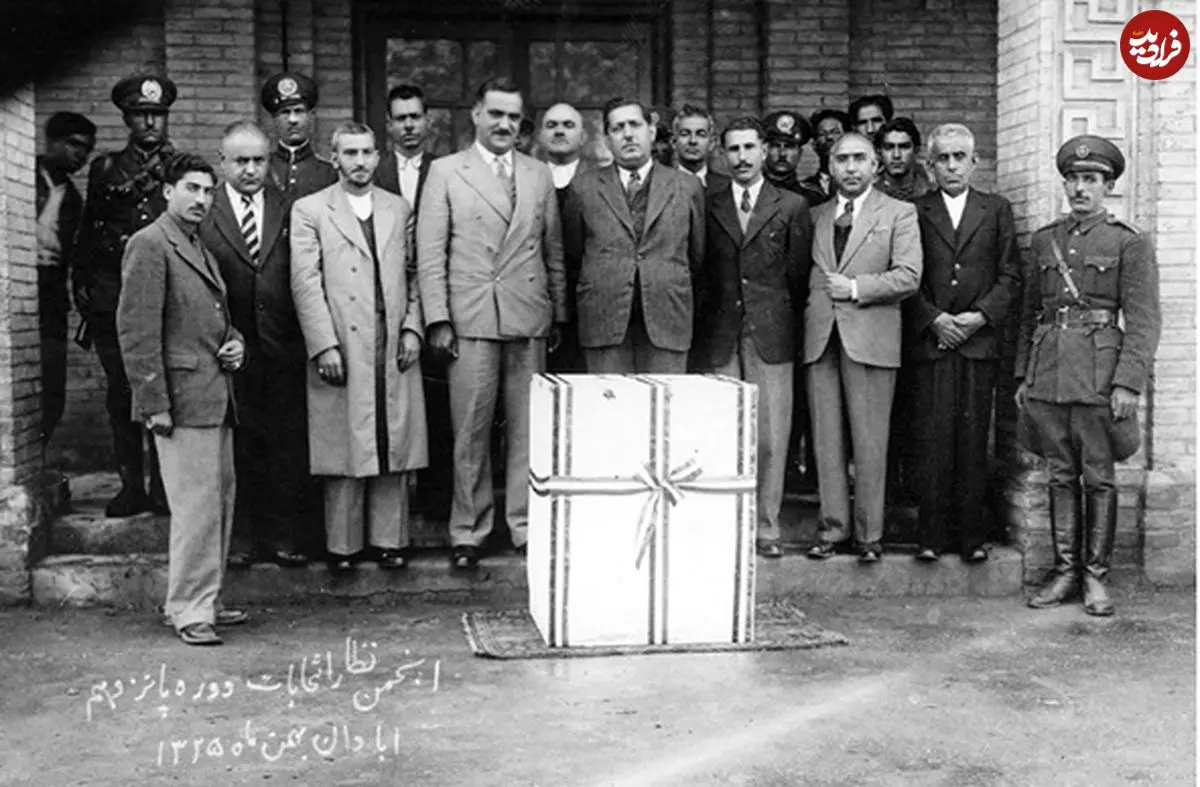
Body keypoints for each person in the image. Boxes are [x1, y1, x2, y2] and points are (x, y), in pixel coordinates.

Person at [416, 78, 566, 570]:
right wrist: (438, 318)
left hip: (527, 313)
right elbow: (430, 254)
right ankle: (469, 529)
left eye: (513, 117)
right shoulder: (446, 171)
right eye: (496, 114)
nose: (504, 125)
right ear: (476, 115)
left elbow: (553, 251)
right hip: (471, 317)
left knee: (527, 430)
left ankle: (524, 526)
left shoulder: (538, 173)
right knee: (471, 430)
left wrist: (558, 312)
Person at [1017, 135, 1160, 616]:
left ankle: (1097, 577)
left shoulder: (1128, 242)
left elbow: (1143, 320)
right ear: (1064, 184)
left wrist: (1128, 382)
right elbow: (1029, 314)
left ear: (1108, 186)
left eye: (1091, 179)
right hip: (1049, 373)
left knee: (1099, 478)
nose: (1080, 188)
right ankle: (1064, 574)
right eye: (1074, 179)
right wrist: (1024, 376)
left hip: (1100, 376)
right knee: (1060, 475)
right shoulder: (1045, 240)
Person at [117, 152, 247, 646]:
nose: (202, 199)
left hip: (214, 397)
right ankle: (189, 608)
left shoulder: (198, 247)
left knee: (218, 506)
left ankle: (206, 600)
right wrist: (154, 404)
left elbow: (212, 322)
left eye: (208, 191)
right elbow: (136, 331)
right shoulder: (150, 243)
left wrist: (235, 342)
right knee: (195, 510)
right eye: (191, 188)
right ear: (167, 191)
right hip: (181, 400)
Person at [291, 122, 428, 573]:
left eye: (367, 152)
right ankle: (343, 545)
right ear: (334, 158)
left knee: (392, 438)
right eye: (350, 153)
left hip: (391, 339)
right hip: (344, 340)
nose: (360, 162)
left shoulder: (398, 208)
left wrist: (413, 328)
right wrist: (323, 345)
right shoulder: (311, 210)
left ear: (378, 156)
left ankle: (390, 541)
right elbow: (305, 283)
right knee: (345, 441)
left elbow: (415, 275)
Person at [691, 117, 812, 559]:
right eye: (733, 149)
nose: (741, 158)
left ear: (764, 150)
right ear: (722, 155)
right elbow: (700, 268)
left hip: (771, 332)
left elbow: (798, 276)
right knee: (722, 434)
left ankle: (766, 526)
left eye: (749, 148)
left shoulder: (792, 205)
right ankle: (723, 526)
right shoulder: (708, 203)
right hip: (720, 332)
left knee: (770, 437)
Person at [803, 132, 922, 564]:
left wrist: (855, 288)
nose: (851, 167)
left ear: (875, 166)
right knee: (826, 440)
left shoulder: (899, 213)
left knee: (870, 441)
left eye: (859, 159)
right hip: (821, 338)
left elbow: (909, 275)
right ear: (829, 167)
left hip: (871, 338)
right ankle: (832, 529)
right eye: (842, 159)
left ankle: (869, 535)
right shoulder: (814, 215)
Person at [906, 123, 1022, 562]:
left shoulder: (996, 209)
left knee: (974, 439)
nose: (952, 166)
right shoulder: (914, 210)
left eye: (960, 157)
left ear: (975, 162)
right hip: (932, 341)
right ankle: (931, 537)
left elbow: (1010, 274)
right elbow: (905, 273)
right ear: (929, 165)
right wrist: (933, 319)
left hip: (978, 342)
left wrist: (979, 317)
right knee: (932, 439)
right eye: (943, 158)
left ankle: (972, 537)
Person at [199, 121, 312, 569]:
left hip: (283, 347)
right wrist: (222, 336)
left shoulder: (291, 208)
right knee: (238, 445)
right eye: (240, 161)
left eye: (259, 161)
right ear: (222, 162)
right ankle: (241, 537)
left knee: (285, 443)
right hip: (227, 349)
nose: (250, 170)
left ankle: (284, 536)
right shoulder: (206, 212)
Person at [74, 73, 177, 518]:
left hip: (165, 298)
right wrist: (82, 285)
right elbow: (88, 233)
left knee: (165, 392)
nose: (150, 123)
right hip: (113, 299)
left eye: (157, 114)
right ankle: (131, 486)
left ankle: (165, 489)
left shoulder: (180, 167)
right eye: (141, 114)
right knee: (121, 394)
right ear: (127, 119)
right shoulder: (105, 169)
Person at [562, 97, 705, 374]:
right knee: (609, 400)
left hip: (668, 319)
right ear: (607, 139)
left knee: (664, 400)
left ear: (651, 131)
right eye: (617, 128)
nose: (627, 134)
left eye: (634, 125)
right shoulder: (583, 188)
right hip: (604, 320)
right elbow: (574, 255)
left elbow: (697, 256)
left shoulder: (687, 187)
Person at [37, 111, 95, 445]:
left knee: (51, 394)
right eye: (74, 144)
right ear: (52, 142)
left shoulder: (73, 199)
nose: (81, 155)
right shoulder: (19, 177)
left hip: (50, 298)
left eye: (87, 149)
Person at [540, 101, 592, 374]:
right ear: (541, 135)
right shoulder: (527, 178)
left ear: (583, 137)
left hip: (588, 306)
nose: (559, 131)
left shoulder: (599, 180)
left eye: (568, 125)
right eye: (552, 125)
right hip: (537, 302)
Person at [261, 72, 337, 204]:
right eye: (285, 112)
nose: (293, 120)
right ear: (274, 119)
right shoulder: (262, 168)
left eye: (299, 111)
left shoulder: (329, 173)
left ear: (311, 116)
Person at [376, 84, 434, 212]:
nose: (408, 125)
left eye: (415, 117)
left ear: (428, 122)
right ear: (389, 125)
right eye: (400, 118)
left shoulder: (443, 168)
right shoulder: (374, 170)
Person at [761, 110, 825, 207]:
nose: (782, 153)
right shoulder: (750, 194)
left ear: (800, 153)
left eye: (789, 147)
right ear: (764, 151)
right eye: (776, 146)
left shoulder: (813, 198)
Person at [874, 117, 934, 202]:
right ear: (879, 152)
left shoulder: (933, 192)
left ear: (916, 151)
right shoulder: (866, 194)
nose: (896, 155)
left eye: (904, 147)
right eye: (889, 147)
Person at [673, 104, 729, 192]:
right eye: (685, 134)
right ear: (674, 142)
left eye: (701, 134)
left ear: (712, 143)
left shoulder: (728, 187)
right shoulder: (658, 186)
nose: (693, 141)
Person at [801, 109, 851, 205]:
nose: (829, 137)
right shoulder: (805, 189)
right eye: (822, 134)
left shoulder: (860, 181)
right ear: (814, 145)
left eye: (836, 132)